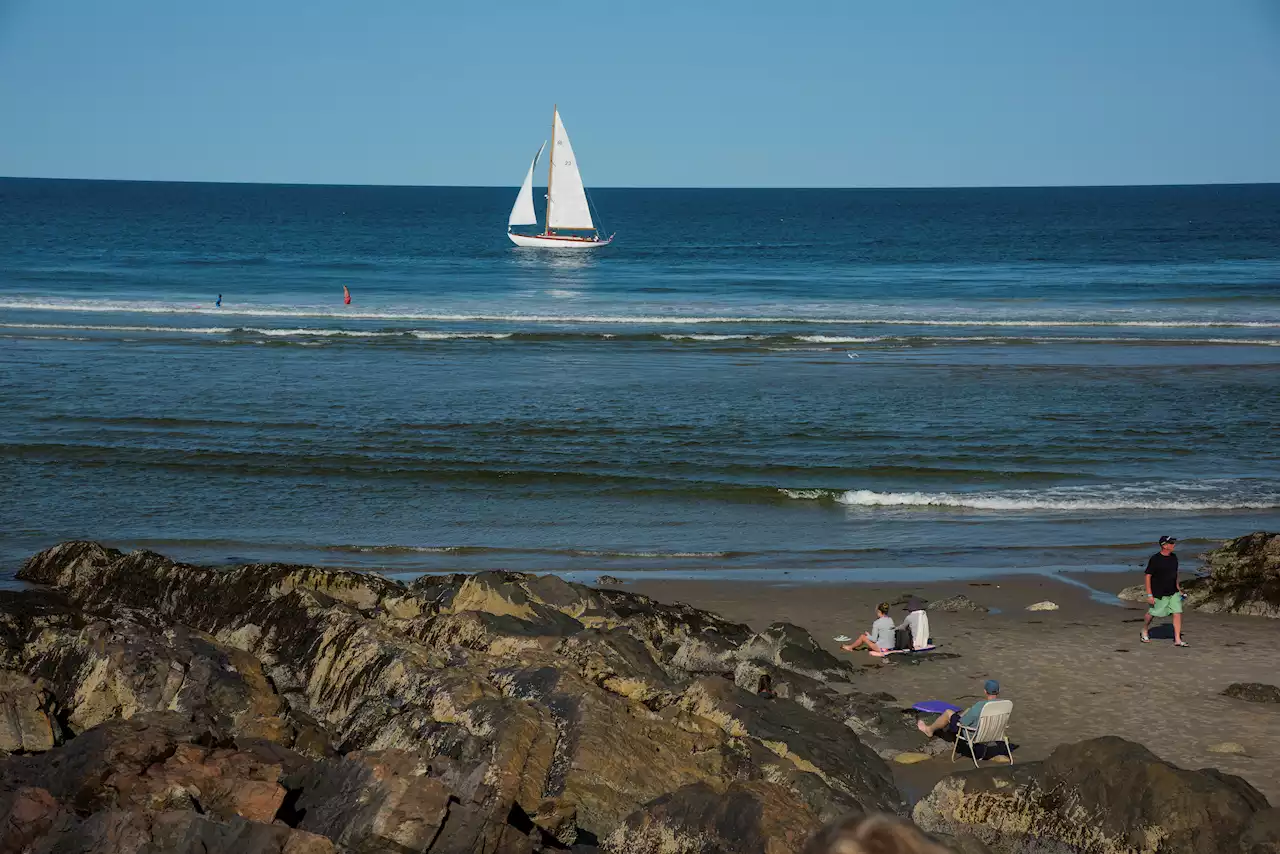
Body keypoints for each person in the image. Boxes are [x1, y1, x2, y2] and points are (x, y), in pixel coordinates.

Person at [917, 679, 1001, 738]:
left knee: (948, 713)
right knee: (968, 710)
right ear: (998, 691)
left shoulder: (980, 705)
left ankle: (929, 730)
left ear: (985, 691)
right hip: (991, 733)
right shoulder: (1003, 705)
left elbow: (963, 723)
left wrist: (958, 718)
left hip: (973, 735)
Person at [1142, 535, 1187, 646]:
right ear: (1164, 546)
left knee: (1177, 612)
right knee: (1153, 613)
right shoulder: (1155, 559)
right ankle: (1144, 629)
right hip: (1159, 592)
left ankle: (1177, 639)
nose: (1174, 545)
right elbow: (1148, 576)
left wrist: (1178, 589)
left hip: (1173, 592)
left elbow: (1174, 574)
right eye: (1171, 543)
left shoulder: (1174, 557)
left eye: (1173, 542)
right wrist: (1149, 595)